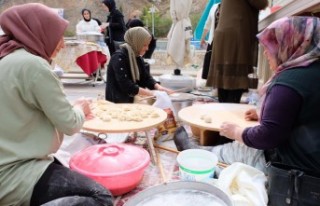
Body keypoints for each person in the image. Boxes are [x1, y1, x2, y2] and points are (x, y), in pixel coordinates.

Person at [0, 3, 113, 206]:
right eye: (56, 35)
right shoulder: (32, 65)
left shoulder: (6, 58)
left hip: (8, 158)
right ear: (38, 33)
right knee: (100, 196)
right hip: (14, 173)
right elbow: (70, 124)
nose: (61, 44)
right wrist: (80, 107)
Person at [176, 16, 320, 174]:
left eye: (272, 45)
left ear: (290, 44)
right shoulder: (312, 70)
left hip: (299, 170)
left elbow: (267, 137)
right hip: (310, 154)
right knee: (240, 144)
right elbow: (306, 113)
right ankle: (206, 152)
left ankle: (201, 158)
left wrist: (236, 132)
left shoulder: (289, 82)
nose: (265, 52)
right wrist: (262, 113)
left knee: (241, 150)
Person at [206, 0, 268, 103]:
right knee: (235, 81)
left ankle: (223, 111)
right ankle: (229, 112)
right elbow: (261, 3)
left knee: (224, 80)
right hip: (236, 33)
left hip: (224, 33)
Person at [105, 27, 173, 103]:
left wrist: (159, 87)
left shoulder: (137, 57)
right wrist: (151, 93)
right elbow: (125, 84)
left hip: (130, 101)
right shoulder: (118, 57)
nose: (147, 48)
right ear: (136, 43)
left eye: (148, 45)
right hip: (116, 103)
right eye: (144, 45)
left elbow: (146, 78)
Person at [200, 2, 220, 79]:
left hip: (221, 41)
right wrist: (202, 38)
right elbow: (207, 24)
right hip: (213, 41)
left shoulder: (233, 7)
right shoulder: (214, 7)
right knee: (208, 66)